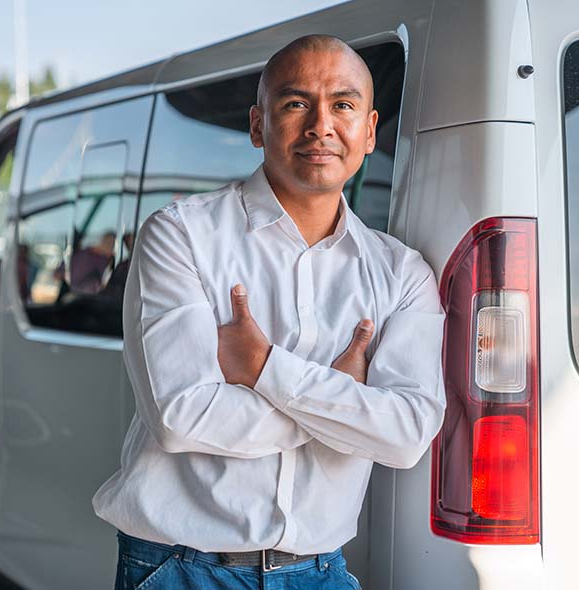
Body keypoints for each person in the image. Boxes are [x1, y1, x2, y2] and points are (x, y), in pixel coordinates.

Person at [93, 34, 446, 590]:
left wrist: (263, 369)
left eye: (343, 105)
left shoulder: (402, 274)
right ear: (258, 125)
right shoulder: (181, 236)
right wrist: (342, 401)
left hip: (321, 573)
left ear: (370, 130)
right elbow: (181, 417)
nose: (321, 126)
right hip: (180, 570)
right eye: (297, 103)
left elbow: (405, 435)